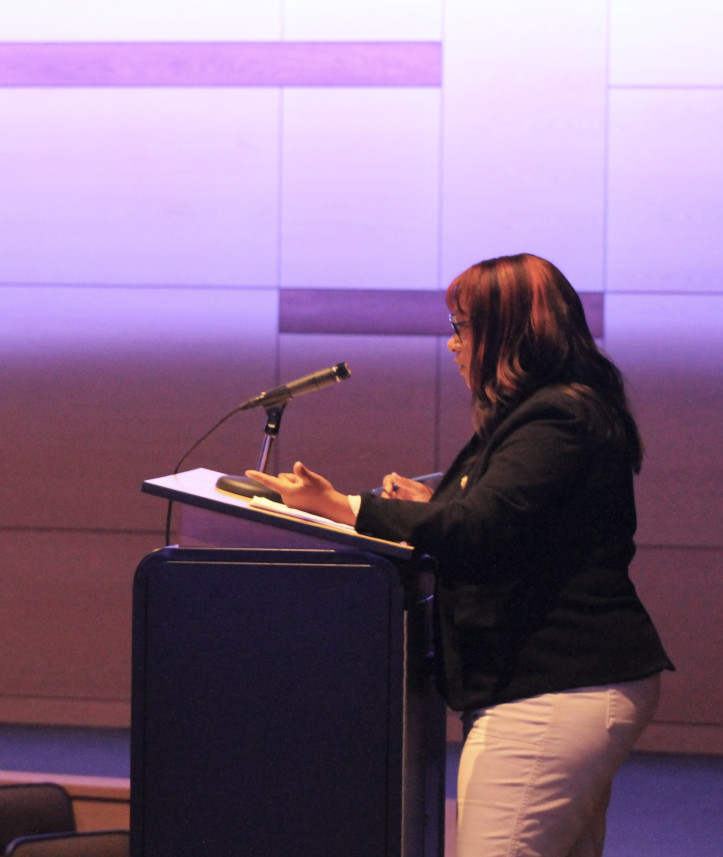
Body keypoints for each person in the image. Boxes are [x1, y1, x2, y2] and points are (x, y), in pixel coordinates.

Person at [246, 252, 673, 857]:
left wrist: (347, 507)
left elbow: (482, 526)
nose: (453, 346)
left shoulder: (557, 415)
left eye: (462, 327)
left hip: (552, 684)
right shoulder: (546, 411)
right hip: (556, 681)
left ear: (510, 332)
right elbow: (510, 517)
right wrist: (432, 503)